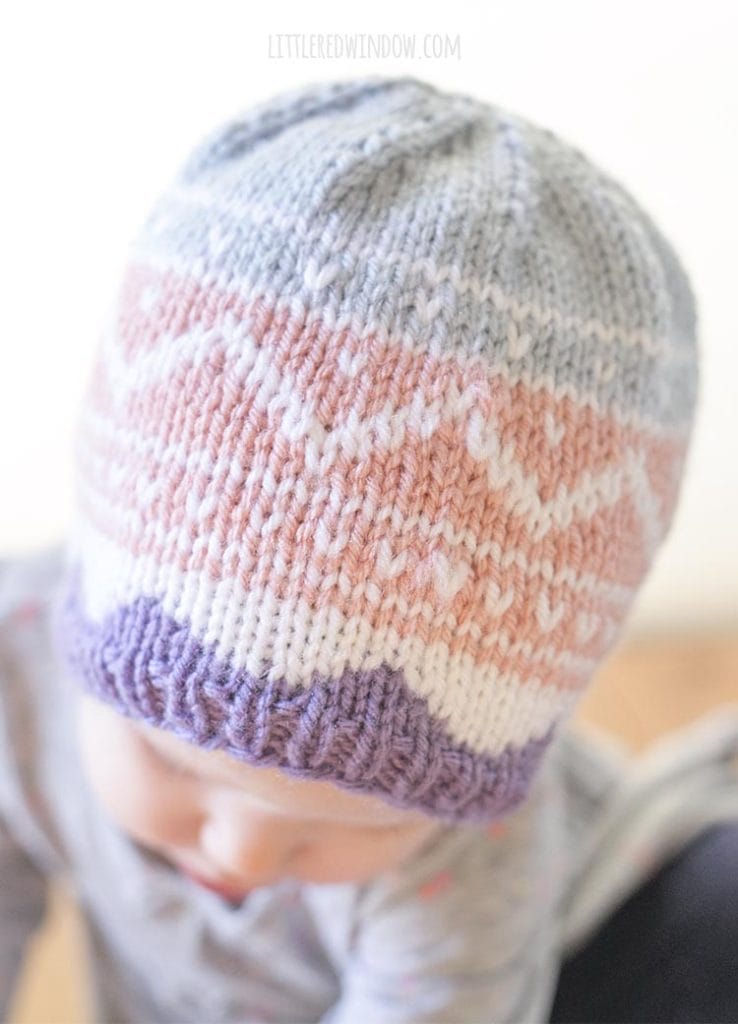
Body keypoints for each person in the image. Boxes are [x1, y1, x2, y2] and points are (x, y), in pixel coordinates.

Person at [1, 75, 737, 1024]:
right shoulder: (20, 676)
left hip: (576, 935)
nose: (240, 855)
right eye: (172, 760)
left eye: (353, 815)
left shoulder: (472, 847)